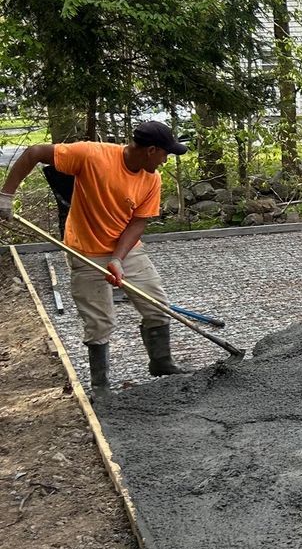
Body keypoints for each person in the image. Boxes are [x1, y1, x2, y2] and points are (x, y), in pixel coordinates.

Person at [0, 121, 189, 388]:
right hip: (85, 252)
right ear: (151, 150)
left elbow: (138, 222)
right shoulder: (93, 155)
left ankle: (161, 364)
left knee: (157, 307)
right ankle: (101, 387)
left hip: (126, 251)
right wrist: (5, 195)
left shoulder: (151, 178)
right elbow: (34, 152)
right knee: (99, 323)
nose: (165, 160)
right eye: (165, 154)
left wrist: (117, 259)